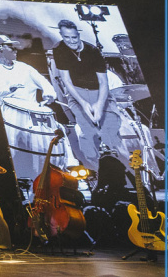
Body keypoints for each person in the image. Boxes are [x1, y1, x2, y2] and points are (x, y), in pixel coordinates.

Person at [0, 34, 79, 180]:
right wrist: (9, 89)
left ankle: (68, 165)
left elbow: (45, 84)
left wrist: (49, 94)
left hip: (33, 113)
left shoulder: (25, 68)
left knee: (59, 129)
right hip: (7, 112)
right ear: (0, 48)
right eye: (10, 47)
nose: (15, 50)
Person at [52, 19, 122, 171]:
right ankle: (100, 174)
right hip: (77, 92)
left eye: (74, 37)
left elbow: (104, 82)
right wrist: (83, 103)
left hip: (99, 92)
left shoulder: (92, 51)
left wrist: (98, 105)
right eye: (67, 38)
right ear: (62, 36)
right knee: (88, 135)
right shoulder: (59, 50)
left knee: (110, 131)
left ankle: (123, 171)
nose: (71, 41)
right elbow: (66, 81)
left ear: (78, 34)